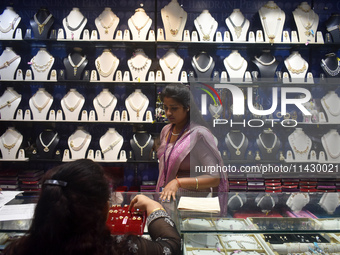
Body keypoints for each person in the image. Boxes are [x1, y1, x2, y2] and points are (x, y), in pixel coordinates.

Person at [2, 159, 181, 255]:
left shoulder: (20, 248)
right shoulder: (120, 248)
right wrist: (153, 205)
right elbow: (171, 247)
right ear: (104, 209)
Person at [157, 84, 228, 202]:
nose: (168, 113)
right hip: (169, 198)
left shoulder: (198, 135)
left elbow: (215, 178)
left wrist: (178, 182)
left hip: (193, 203)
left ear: (187, 107)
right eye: (165, 108)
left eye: (174, 108)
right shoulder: (166, 131)